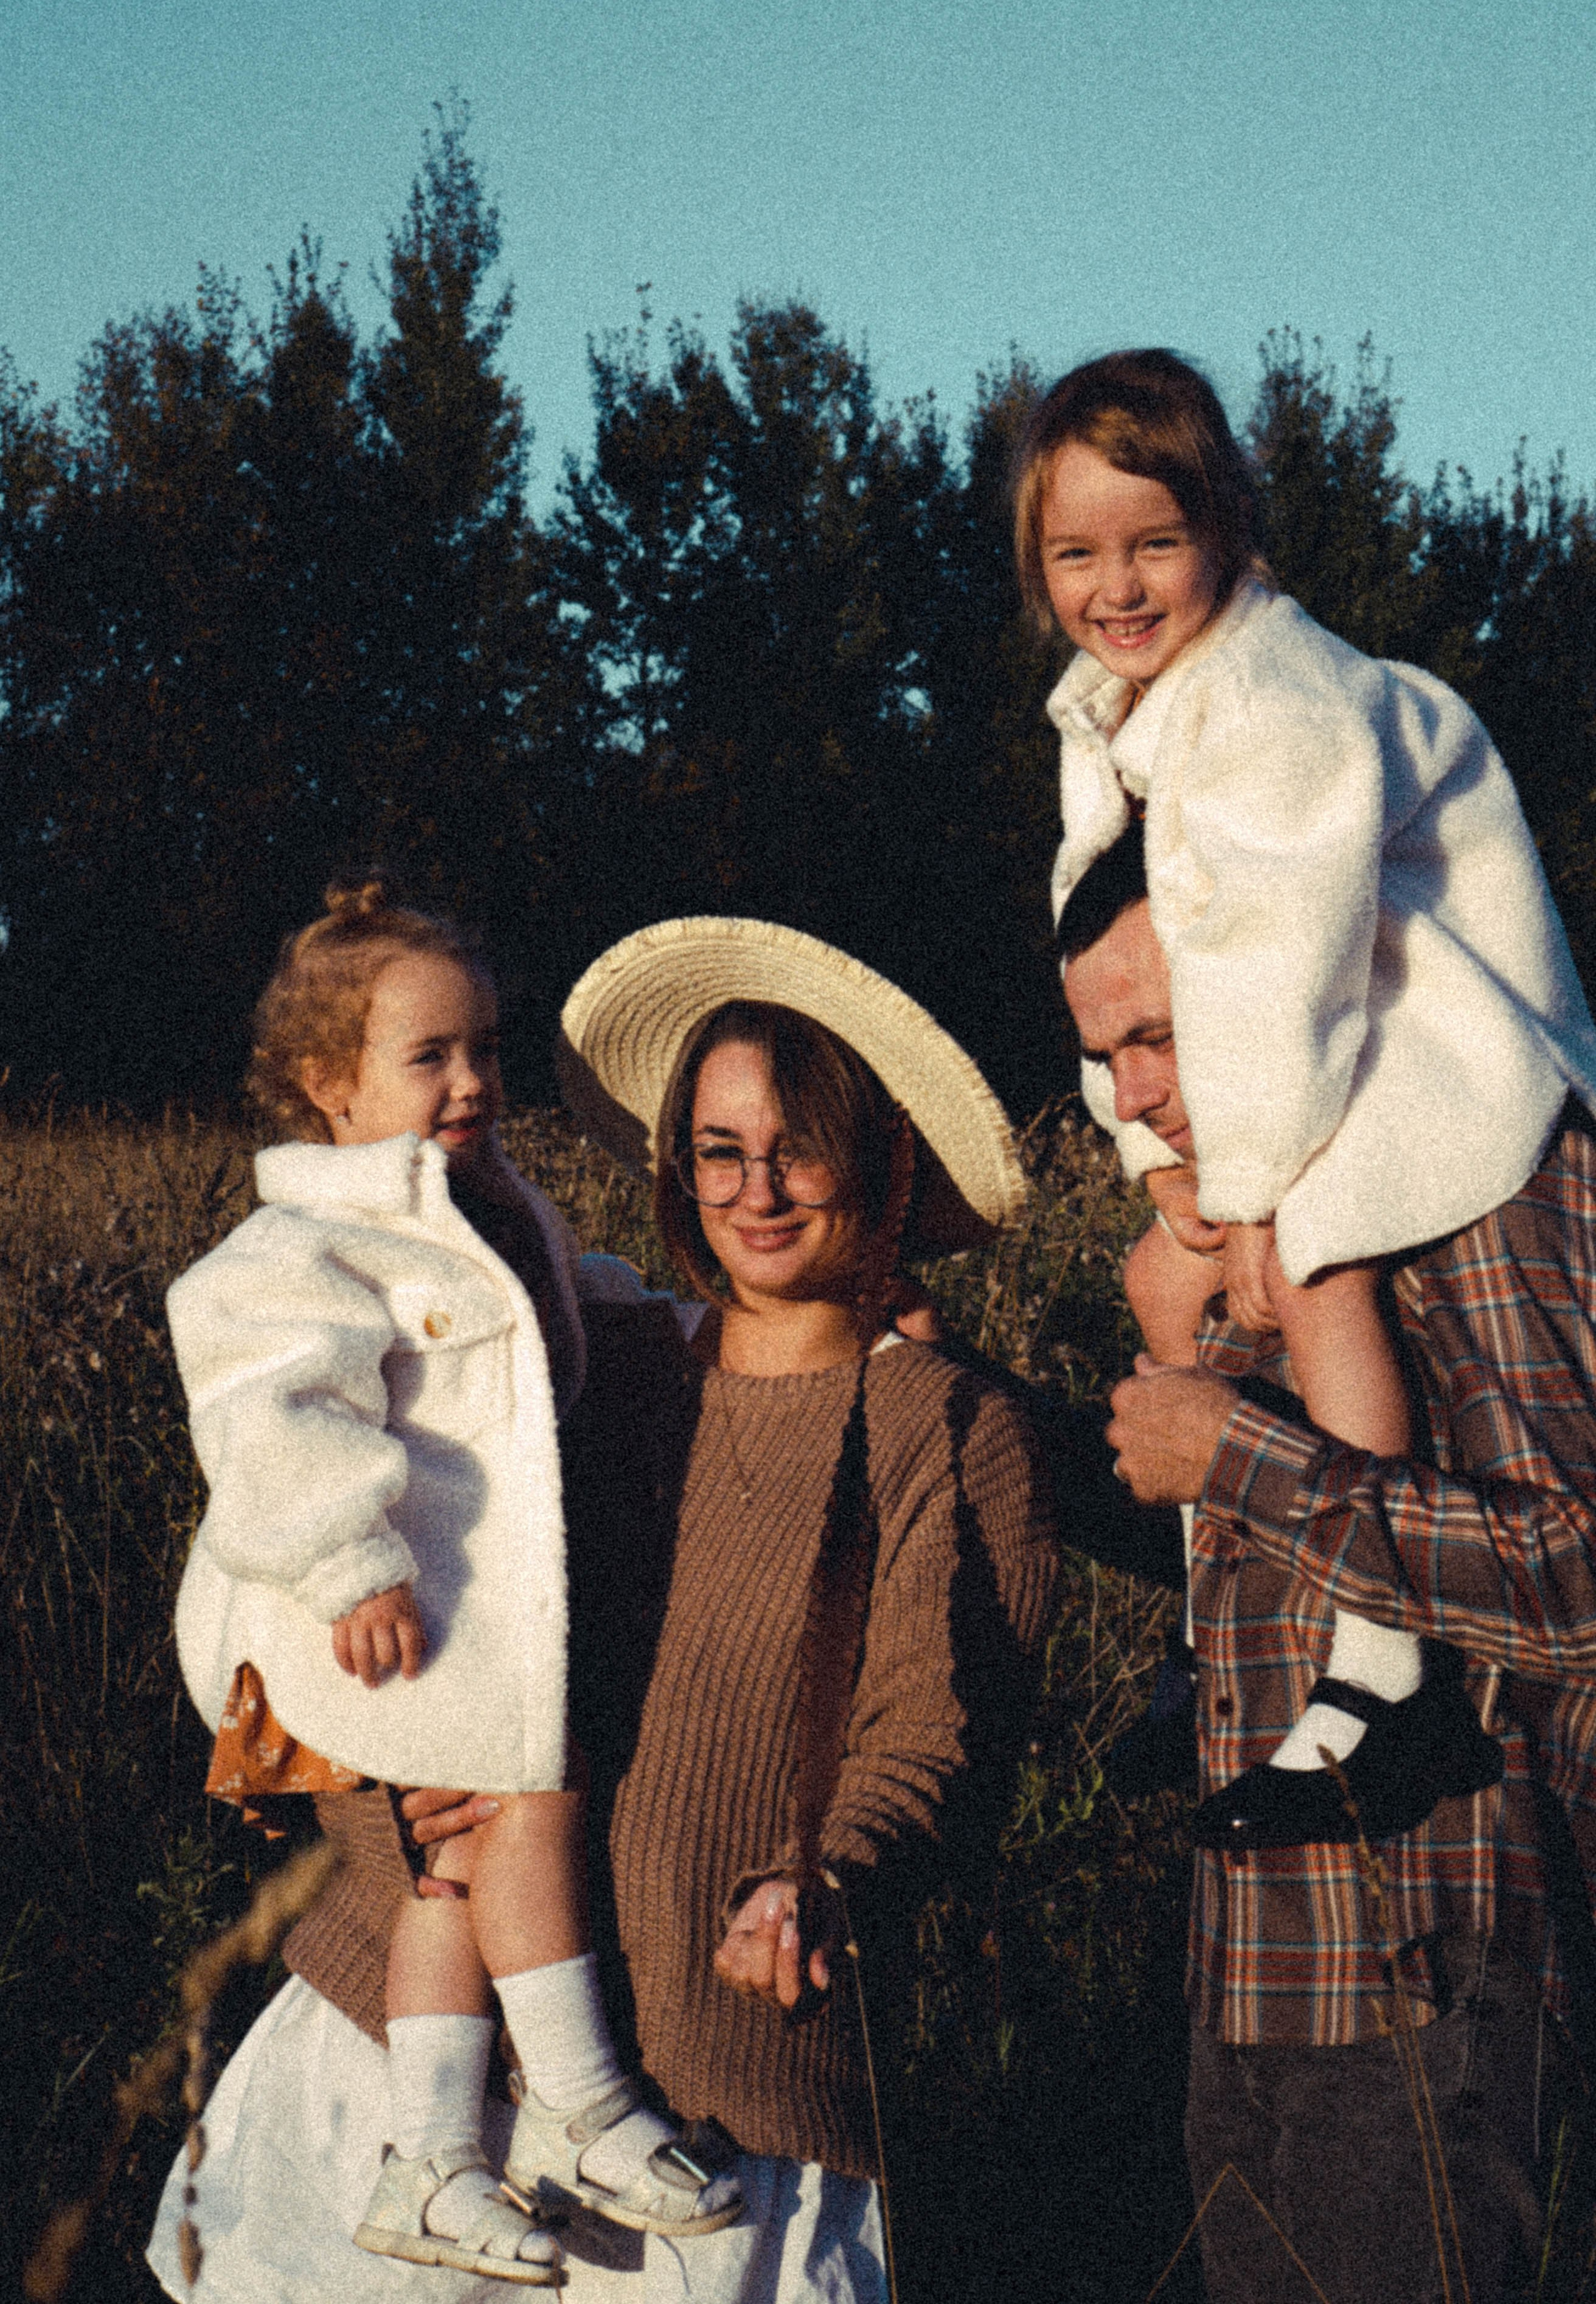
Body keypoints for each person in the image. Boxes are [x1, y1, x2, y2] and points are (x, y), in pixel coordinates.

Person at [150, 914, 1059, 2304]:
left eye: (799, 1144)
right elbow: (302, 1551)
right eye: (715, 1148)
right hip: (417, 2046)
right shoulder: (584, 1356)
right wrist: (372, 1786)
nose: (756, 1189)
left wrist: (828, 1878)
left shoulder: (947, 1425)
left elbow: (938, 1736)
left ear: (880, 1161)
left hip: (711, 2080)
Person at [1016, 346, 1596, 1839]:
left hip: (1421, 1042)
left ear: (1227, 529)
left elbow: (1275, 960)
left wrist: (1258, 1193)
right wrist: (1158, 1166)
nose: (1118, 585)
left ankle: (1384, 1672)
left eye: (1155, 542)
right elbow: (1111, 941)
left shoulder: (1273, 695)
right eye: (1076, 554)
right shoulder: (1111, 712)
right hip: (1304, 1046)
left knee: (1319, 1269)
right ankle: (1211, 1635)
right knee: (1166, 1291)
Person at [165, 881, 738, 2293]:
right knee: (535, 1789)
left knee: (458, 1860)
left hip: (436, 1607)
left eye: (484, 1047)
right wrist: (351, 1556)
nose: (472, 1080)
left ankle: (428, 2158)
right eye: (429, 1058)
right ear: (328, 1088)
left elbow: (566, 1311)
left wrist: (678, 1326)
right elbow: (265, 1411)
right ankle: (580, 2095)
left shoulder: (492, 1210)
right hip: (343, 1606)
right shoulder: (301, 1246)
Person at [1063, 831, 1596, 2304]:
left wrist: (1234, 1451)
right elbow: (1258, 1571)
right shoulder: (1240, 1211)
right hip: (1249, 1976)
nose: (1135, 1095)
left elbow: (1576, 1582)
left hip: (1431, 1969)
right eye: (1104, 1053)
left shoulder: (1481, 1185)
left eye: (1156, 1033)